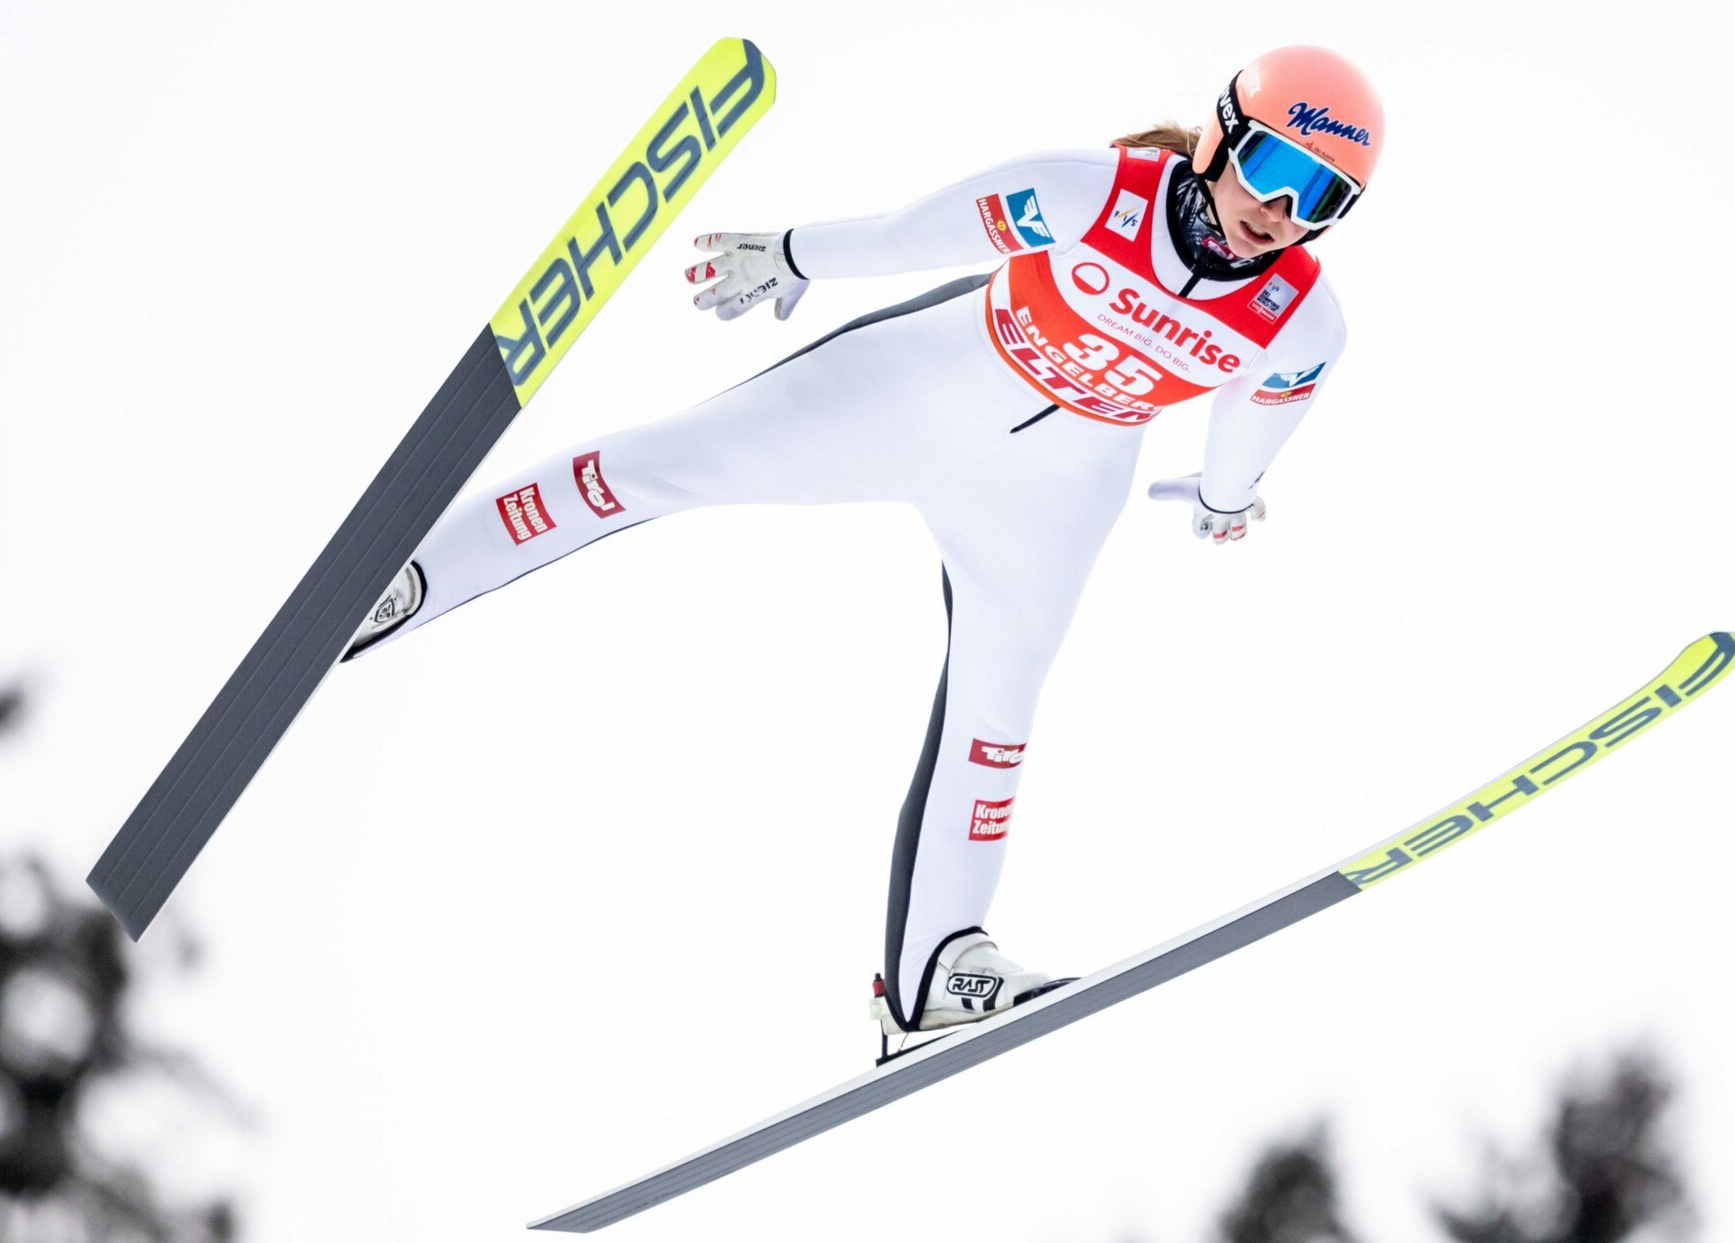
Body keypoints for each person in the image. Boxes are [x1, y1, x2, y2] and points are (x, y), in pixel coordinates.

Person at [344, 45, 1384, 1047]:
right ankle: (413, 577)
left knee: (997, 715)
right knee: (658, 466)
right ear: (1221, 137)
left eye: (1323, 198)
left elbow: (1252, 431)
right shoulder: (1092, 195)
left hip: (1053, 497)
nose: (1283, 212)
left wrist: (1221, 497)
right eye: (1276, 167)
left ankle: (936, 970)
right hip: (907, 395)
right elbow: (909, 236)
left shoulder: (1301, 320)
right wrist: (794, 251)